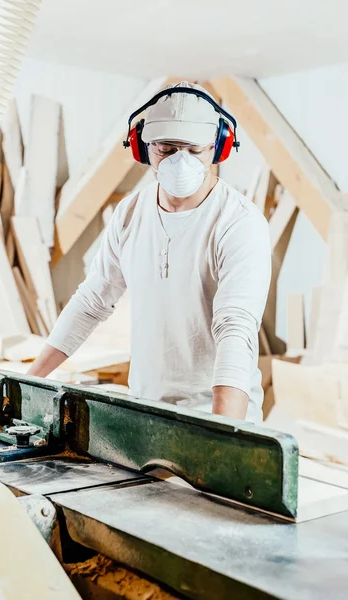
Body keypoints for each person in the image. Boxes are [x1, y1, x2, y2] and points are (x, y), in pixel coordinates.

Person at [29, 81, 271, 423]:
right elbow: (91, 301)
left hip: (214, 413)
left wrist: (223, 437)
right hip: (146, 409)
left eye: (194, 150)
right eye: (166, 149)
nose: (179, 162)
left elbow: (236, 329)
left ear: (219, 148)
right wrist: (29, 380)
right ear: (142, 148)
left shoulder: (238, 223)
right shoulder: (129, 215)